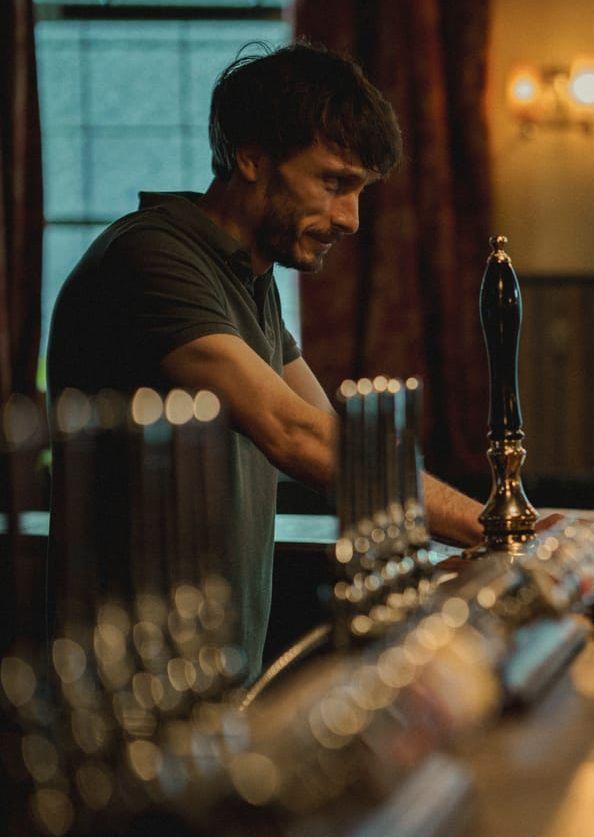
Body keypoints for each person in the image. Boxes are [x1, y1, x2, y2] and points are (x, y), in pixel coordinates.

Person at [46, 43, 484, 678]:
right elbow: (294, 433)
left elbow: (335, 434)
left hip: (212, 674)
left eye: (359, 190)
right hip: (129, 685)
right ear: (250, 157)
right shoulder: (152, 258)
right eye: (333, 183)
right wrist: (490, 526)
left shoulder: (247, 275)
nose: (351, 219)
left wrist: (466, 533)